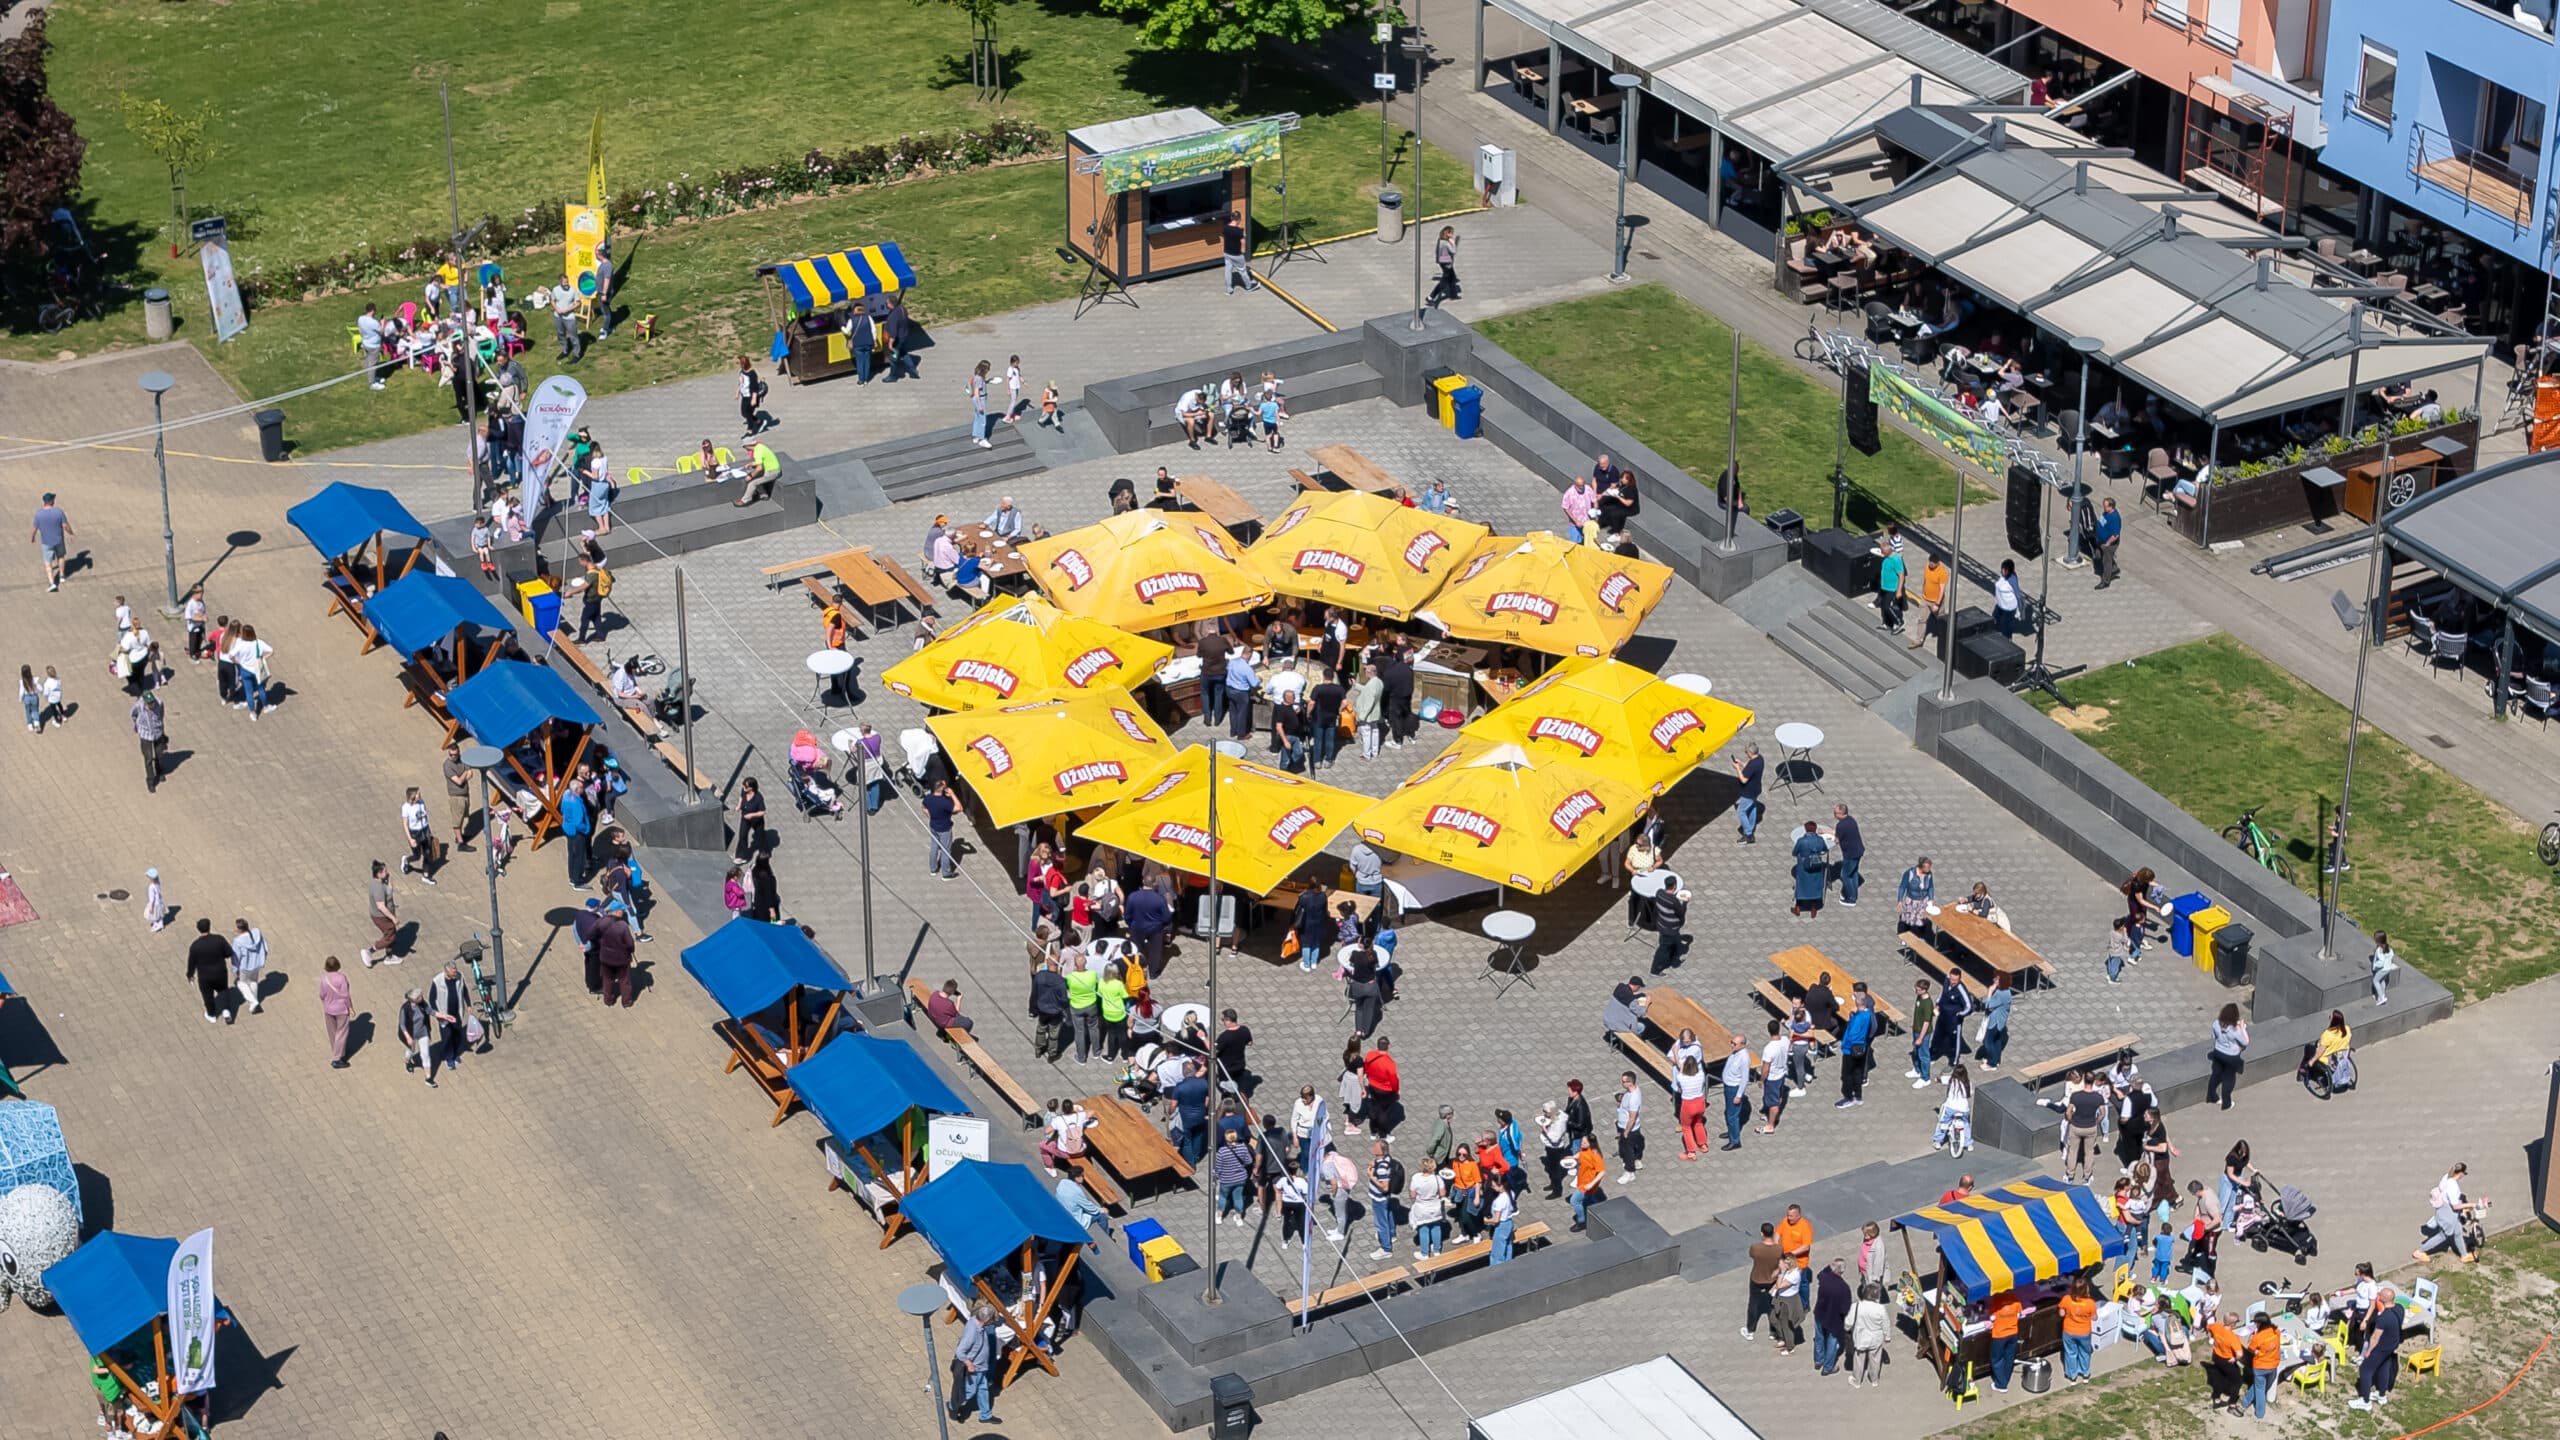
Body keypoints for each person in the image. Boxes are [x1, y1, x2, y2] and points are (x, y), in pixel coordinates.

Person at [2351, 1283, 2404, 1409]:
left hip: (2381, 1347)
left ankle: (2365, 1401)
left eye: (2379, 1294)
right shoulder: (2400, 1308)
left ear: (2382, 1298)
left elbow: (2375, 1337)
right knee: (2383, 1367)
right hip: (2392, 1345)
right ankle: (2381, 1395)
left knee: (2365, 1370)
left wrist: (2368, 1351)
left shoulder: (2383, 1318)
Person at [2416, 1161, 2477, 1262]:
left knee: (2458, 1232)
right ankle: (2420, 1252)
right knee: (2443, 1236)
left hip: (2445, 1211)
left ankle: (2464, 1255)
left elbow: (2442, 1189)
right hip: (2448, 1214)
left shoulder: (2446, 1177)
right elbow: (2455, 1206)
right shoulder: (2453, 1186)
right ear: (2461, 1173)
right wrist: (2471, 1205)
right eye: (2464, 1173)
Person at [184, 918, 233, 1025]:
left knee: (207, 995)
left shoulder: (195, 946)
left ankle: (211, 1015)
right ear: (209, 927)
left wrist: (190, 974)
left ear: (198, 929)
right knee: (223, 990)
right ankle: (226, 1012)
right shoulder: (219, 939)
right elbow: (229, 953)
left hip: (205, 976)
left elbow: (191, 963)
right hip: (220, 972)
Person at [1743, 1221, 1784, 1342]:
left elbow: (1752, 1255)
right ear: (1773, 1233)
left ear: (1762, 1233)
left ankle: (1750, 1331)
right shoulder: (1778, 1249)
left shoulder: (1755, 1248)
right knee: (1772, 1305)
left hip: (1757, 1278)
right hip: (1772, 1280)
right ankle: (1773, 1331)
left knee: (1753, 1304)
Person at [1367, 1140, 1406, 1257]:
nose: (1373, 1148)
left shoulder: (1382, 1168)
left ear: (1381, 1151)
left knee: (1381, 1223)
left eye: (1376, 1147)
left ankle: (1386, 1249)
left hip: (1379, 1198)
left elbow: (1384, 1187)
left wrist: (1372, 1177)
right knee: (1388, 1214)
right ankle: (1391, 1234)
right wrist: (1374, 1162)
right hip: (1386, 1198)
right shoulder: (1387, 1159)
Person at [2207, 1002, 2249, 1109]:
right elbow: (2245, 1042)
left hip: (2218, 1053)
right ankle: (2226, 1103)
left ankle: (2212, 1097)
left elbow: (2213, 1037)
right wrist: (2242, 1028)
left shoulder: (2216, 1024)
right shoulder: (2235, 1030)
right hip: (2231, 1057)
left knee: (2215, 1075)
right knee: (2229, 1079)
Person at [31, 492, 72, 592]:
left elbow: (35, 528)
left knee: (48, 563)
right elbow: (65, 525)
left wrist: (33, 537)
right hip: (59, 540)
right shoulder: (58, 512)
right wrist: (71, 533)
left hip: (46, 542)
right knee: (61, 557)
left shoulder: (39, 514)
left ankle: (52, 583)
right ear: (51, 501)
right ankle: (62, 576)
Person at [228, 916, 269, 1014]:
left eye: (236, 927)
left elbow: (236, 957)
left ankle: (253, 1001)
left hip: (245, 967)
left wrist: (235, 970)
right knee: (253, 982)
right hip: (257, 964)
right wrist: (263, 958)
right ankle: (254, 1004)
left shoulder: (238, 941)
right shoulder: (256, 933)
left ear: (240, 929)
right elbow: (265, 947)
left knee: (240, 983)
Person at [1720, 1034, 1754, 1150]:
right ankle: (1731, 1131)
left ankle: (1735, 1141)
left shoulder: (1744, 1058)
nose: (1731, 1045)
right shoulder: (1735, 1052)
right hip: (1728, 1086)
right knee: (1729, 1113)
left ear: (1742, 1045)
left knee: (1732, 1116)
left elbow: (1744, 1079)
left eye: (1734, 1044)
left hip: (1734, 1089)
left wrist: (1738, 1095)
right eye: (1732, 1042)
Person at [131, 687, 167, 792]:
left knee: (159, 755)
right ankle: (150, 781)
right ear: (145, 702)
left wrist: (161, 728)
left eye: (152, 702)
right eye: (149, 703)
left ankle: (159, 771)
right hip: (145, 735)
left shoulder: (159, 703)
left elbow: (161, 715)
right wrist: (138, 725)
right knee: (148, 758)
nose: (152, 705)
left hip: (157, 732)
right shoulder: (138, 706)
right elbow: (133, 715)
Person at [1790, 820, 1828, 918]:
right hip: (1816, 866)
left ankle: (1798, 907)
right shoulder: (1820, 840)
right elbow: (1825, 849)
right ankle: (1813, 908)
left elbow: (1794, 853)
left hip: (1803, 867)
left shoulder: (1801, 841)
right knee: (1814, 885)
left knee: (1801, 885)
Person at [1613, 1071, 1645, 1183]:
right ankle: (1633, 1161)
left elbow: (1632, 1117)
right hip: (1625, 1126)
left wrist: (1626, 1131)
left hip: (1629, 1129)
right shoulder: (1631, 1091)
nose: (1622, 1083)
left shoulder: (1633, 1098)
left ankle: (1629, 1172)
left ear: (1630, 1083)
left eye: (1624, 1081)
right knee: (1625, 1146)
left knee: (1628, 1150)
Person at [1975, 972, 2013, 1069]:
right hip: (2001, 1021)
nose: (1994, 980)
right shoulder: (2005, 992)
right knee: (1996, 1040)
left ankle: (1992, 1063)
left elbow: (1988, 1005)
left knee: (1988, 1041)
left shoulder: (2001, 994)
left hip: (1995, 1022)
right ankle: (1996, 1059)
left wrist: (1990, 992)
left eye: (1997, 979)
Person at [1651, 883, 1690, 975]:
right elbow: (1681, 913)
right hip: (1670, 929)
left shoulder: (1659, 893)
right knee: (1663, 949)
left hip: (1662, 925)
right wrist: (1685, 903)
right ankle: (1655, 970)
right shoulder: (1674, 901)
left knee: (1674, 943)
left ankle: (1674, 960)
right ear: (1674, 886)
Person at [1569, 1134, 1605, 1230]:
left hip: (1587, 1184)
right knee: (1589, 1199)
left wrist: (1591, 1184)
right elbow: (1581, 1154)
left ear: (1591, 1143)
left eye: (1584, 1142)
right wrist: (1573, 1157)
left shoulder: (1595, 1155)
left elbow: (1602, 1172)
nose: (1582, 1143)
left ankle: (1581, 1222)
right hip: (1582, 1180)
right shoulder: (1585, 1149)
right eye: (1582, 1141)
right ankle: (1598, 1210)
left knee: (1574, 1201)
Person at [1731, 744, 1764, 842]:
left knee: (1741, 811)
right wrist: (1741, 763)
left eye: (1746, 752)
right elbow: (1749, 768)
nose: (1746, 754)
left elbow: (1743, 780)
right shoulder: (1760, 759)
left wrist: (1737, 768)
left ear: (1750, 753)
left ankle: (1748, 835)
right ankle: (1750, 827)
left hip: (1748, 792)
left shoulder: (1753, 764)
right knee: (1752, 807)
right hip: (1756, 789)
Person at [1220, 210, 1254, 294]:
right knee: (1242, 270)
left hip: (1227, 253)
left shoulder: (1225, 228)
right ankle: (1249, 286)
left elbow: (1225, 236)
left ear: (1231, 218)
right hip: (1236, 254)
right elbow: (1242, 242)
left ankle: (1229, 289)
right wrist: (1243, 250)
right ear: (1238, 219)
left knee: (1228, 271)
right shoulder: (1238, 231)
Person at [1427, 226, 1461, 306]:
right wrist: (1453, 243)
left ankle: (1453, 294)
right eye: (1451, 233)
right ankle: (1431, 297)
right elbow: (1453, 251)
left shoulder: (1440, 240)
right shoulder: (1446, 243)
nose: (1452, 234)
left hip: (1442, 262)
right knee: (1444, 282)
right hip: (1446, 263)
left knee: (1452, 277)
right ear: (1447, 234)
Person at [737, 355, 767, 438]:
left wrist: (754, 399)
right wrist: (737, 393)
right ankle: (759, 421)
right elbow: (741, 383)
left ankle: (750, 430)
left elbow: (754, 388)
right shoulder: (742, 371)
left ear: (744, 364)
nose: (738, 365)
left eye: (739, 363)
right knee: (744, 413)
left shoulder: (752, 374)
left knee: (747, 413)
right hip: (745, 395)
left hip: (751, 397)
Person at [2370, 930, 2399, 1005]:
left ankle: (2381, 997)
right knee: (2382, 980)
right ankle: (2382, 994)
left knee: (2375, 981)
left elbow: (2381, 962)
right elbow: (2391, 955)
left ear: (2378, 941)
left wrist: (2375, 965)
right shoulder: (2388, 948)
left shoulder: (2379, 950)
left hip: (2382, 969)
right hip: (2388, 968)